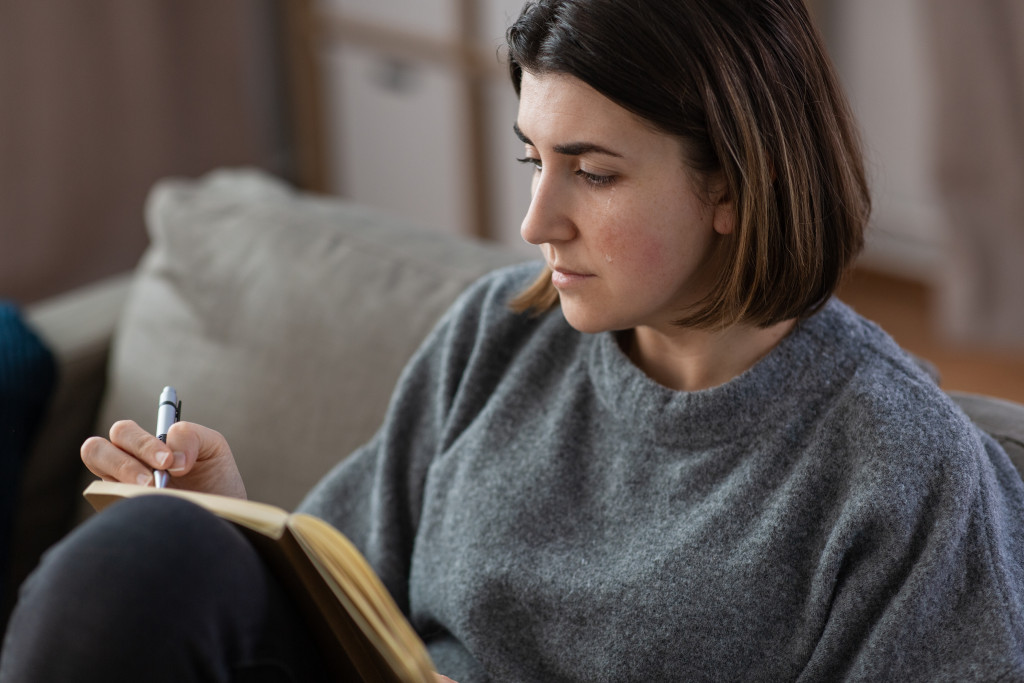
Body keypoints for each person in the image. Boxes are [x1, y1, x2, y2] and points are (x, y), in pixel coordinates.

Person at [3, 0, 1023, 680]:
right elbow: (346, 595)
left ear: (731, 181)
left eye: (592, 170)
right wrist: (233, 516)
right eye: (533, 157)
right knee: (154, 549)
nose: (537, 220)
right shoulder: (502, 333)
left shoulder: (894, 462)